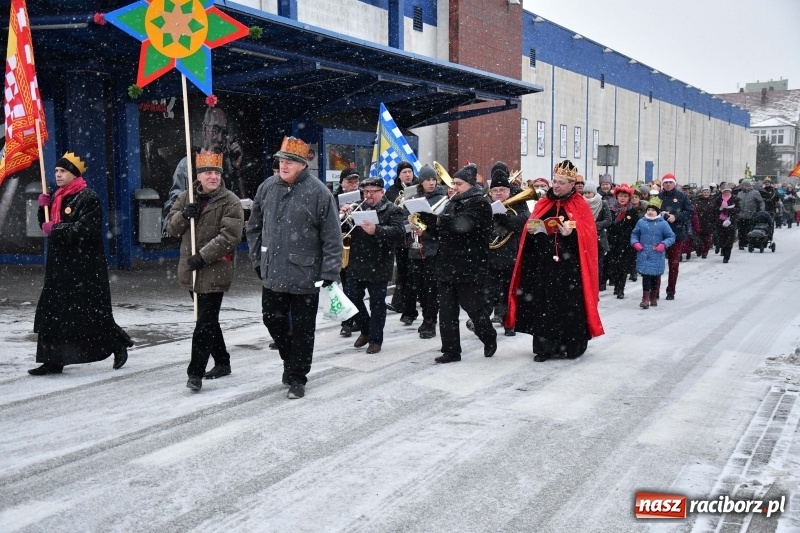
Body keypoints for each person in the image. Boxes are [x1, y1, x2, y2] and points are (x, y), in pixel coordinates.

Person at [246, 136, 342, 399]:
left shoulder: (320, 193)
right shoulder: (267, 188)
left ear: (303, 165)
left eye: (291, 161)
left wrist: (331, 273)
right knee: (271, 320)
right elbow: (253, 227)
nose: (284, 165)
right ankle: (291, 360)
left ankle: (298, 376)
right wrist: (257, 260)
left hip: (306, 274)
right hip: (273, 271)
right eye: (281, 161)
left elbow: (332, 237)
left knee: (303, 329)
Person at [31, 152, 133, 375]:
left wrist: (55, 229)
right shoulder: (57, 196)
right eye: (56, 171)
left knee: (89, 314)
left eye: (62, 171)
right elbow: (46, 224)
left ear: (73, 174)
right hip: (59, 265)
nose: (57, 175)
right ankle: (52, 360)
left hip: (83, 267)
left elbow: (84, 230)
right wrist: (42, 209)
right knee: (53, 313)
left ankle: (118, 343)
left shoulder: (88, 197)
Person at [506, 160, 604, 362]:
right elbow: (529, 236)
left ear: (571, 185)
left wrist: (571, 234)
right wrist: (533, 231)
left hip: (570, 268)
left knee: (569, 307)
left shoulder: (579, 205)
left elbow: (588, 237)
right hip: (545, 266)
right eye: (555, 181)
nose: (556, 185)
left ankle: (571, 345)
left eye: (561, 182)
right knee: (544, 307)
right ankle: (545, 347)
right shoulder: (544, 203)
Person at [165, 152, 244, 391]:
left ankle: (195, 373)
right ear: (198, 176)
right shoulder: (185, 197)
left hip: (215, 270)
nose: (213, 177)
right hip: (191, 270)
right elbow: (171, 228)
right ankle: (222, 361)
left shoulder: (230, 201)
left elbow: (230, 236)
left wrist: (203, 257)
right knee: (207, 320)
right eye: (208, 172)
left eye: (216, 173)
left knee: (204, 322)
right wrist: (183, 215)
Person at [415, 163, 496, 363]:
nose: (454, 187)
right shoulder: (452, 202)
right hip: (446, 264)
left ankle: (488, 335)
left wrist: (437, 221)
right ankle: (451, 351)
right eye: (454, 183)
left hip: (469, 265)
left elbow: (463, 225)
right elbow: (443, 230)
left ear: (470, 184)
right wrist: (426, 227)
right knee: (447, 309)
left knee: (472, 306)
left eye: (459, 184)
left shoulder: (480, 203)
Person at [341, 176, 406, 354]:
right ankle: (366, 328)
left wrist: (376, 230)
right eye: (365, 192)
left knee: (377, 304)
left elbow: (400, 233)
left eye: (372, 192)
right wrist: (345, 215)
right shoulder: (358, 208)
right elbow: (345, 230)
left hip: (379, 262)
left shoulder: (393, 210)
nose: (368, 195)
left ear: (382, 192)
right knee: (350, 298)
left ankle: (375, 339)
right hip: (357, 261)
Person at [162, 107, 248, 226]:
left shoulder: (228, 167)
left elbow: (243, 211)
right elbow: (170, 213)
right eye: (215, 130)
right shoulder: (187, 165)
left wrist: (237, 171)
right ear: (204, 130)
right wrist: (184, 214)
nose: (219, 138)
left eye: (224, 133)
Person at [486, 162, 530, 336]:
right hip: (490, 254)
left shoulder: (518, 203)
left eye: (502, 191)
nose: (498, 194)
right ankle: (484, 320)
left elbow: (524, 221)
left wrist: (504, 218)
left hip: (510, 253)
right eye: (495, 191)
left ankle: (508, 322)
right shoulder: (485, 203)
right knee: (489, 290)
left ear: (509, 191)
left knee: (508, 290)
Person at [403, 164, 446, 339]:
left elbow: (443, 225)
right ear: (421, 182)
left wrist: (427, 229)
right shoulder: (413, 198)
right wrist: (409, 223)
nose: (431, 183)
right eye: (428, 180)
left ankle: (430, 321)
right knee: (419, 287)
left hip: (432, 250)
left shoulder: (441, 199)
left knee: (431, 288)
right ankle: (425, 318)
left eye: (433, 179)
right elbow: (402, 220)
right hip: (415, 249)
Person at [385, 161, 418, 317]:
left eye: (409, 172)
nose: (407, 175)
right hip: (401, 236)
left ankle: (405, 302)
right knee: (403, 270)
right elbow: (389, 209)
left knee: (414, 271)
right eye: (404, 172)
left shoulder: (418, 188)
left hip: (416, 234)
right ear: (399, 175)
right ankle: (399, 302)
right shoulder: (392, 191)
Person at [630, 197, 675, 309]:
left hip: (657, 254)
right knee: (645, 277)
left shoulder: (663, 224)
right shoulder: (641, 222)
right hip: (644, 253)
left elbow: (671, 236)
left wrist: (663, 244)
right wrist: (636, 243)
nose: (650, 212)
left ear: (657, 212)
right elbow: (634, 234)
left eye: (653, 210)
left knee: (655, 277)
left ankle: (653, 297)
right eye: (648, 209)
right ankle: (645, 299)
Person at [656, 173, 694, 300]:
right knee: (657, 264)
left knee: (673, 264)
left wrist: (676, 217)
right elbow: (650, 211)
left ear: (674, 183)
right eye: (665, 182)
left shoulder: (682, 197)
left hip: (676, 234)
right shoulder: (658, 197)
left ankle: (671, 291)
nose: (668, 184)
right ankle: (655, 290)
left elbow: (690, 212)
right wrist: (660, 214)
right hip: (659, 236)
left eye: (670, 182)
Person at [334, 167, 361, 338]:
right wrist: (340, 213)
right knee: (346, 286)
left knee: (355, 288)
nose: (353, 185)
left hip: (359, 247)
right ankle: (347, 322)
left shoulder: (364, 197)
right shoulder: (333, 198)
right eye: (349, 181)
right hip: (342, 245)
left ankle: (356, 319)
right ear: (342, 183)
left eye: (355, 181)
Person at [605, 184, 639, 299]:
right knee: (613, 266)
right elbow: (607, 225)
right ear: (616, 196)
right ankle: (615, 285)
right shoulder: (610, 209)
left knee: (623, 267)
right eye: (620, 196)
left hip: (626, 243)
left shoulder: (632, 212)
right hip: (612, 243)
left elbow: (636, 228)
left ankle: (620, 289)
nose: (623, 198)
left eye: (625, 196)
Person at [581, 180, 611, 292]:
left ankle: (597, 285)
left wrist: (595, 225)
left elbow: (608, 220)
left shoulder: (603, 203)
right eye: (585, 192)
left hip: (598, 238)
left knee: (598, 263)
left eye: (589, 192)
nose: (587, 195)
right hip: (584, 237)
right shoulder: (581, 203)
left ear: (594, 192)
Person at [713, 182, 741, 263]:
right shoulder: (718, 198)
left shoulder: (735, 198)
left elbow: (738, 209)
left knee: (729, 239)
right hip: (720, 221)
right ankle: (722, 248)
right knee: (721, 238)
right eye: (725, 191)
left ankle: (726, 256)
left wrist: (730, 209)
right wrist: (720, 209)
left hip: (731, 221)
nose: (726, 193)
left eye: (728, 191)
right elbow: (714, 208)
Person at [736, 179, 764, 250]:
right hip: (740, 215)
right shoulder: (740, 193)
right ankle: (741, 244)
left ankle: (748, 242)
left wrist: (761, 210)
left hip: (750, 215)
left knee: (748, 229)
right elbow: (737, 202)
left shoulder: (755, 193)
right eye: (741, 185)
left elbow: (761, 202)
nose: (742, 187)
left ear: (748, 186)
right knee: (741, 230)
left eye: (743, 185)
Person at [693, 185, 717, 258]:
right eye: (705, 192)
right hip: (699, 221)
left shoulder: (713, 200)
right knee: (698, 237)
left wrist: (714, 220)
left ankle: (705, 251)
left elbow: (715, 211)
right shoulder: (697, 200)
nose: (706, 193)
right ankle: (699, 249)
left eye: (707, 192)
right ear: (702, 192)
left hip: (709, 221)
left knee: (707, 238)